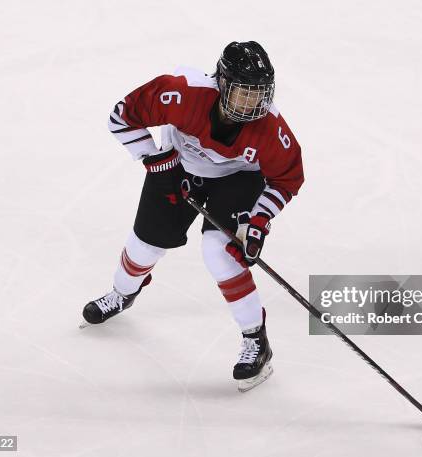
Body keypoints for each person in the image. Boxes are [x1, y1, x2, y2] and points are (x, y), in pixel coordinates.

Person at [81, 41, 304, 392]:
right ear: (222, 84)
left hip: (238, 179)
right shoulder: (182, 93)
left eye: (260, 93)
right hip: (176, 167)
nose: (253, 103)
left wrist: (258, 221)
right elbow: (121, 117)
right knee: (143, 247)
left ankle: (256, 340)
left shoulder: (272, 129)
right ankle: (122, 293)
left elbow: (287, 179)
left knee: (220, 252)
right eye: (245, 92)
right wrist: (155, 161)